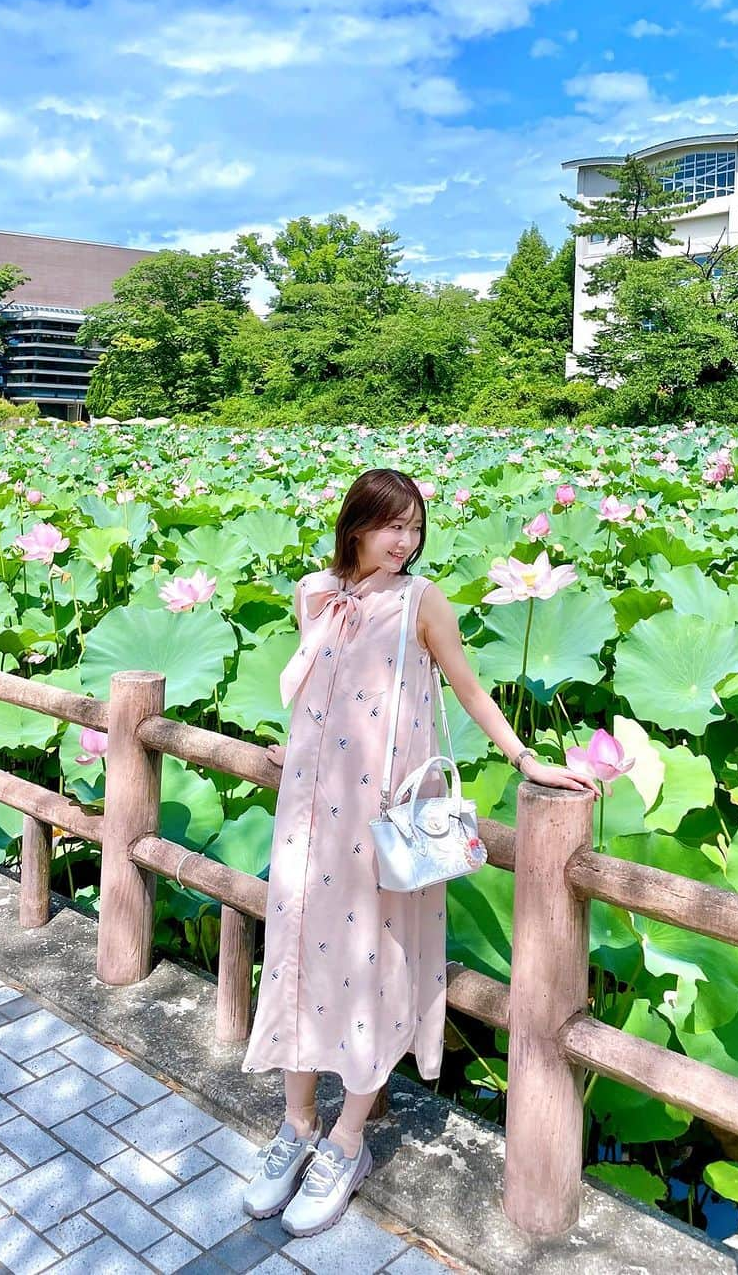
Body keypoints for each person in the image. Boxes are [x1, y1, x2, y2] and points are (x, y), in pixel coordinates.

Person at [240, 468, 596, 1237]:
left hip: (380, 820)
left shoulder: (420, 602)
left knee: (373, 963)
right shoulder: (312, 593)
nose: (403, 541)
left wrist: (527, 759)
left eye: (413, 526)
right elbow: (314, 690)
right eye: (389, 525)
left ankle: (346, 1140)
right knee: (296, 954)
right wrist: (294, 751)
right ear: (355, 526)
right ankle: (297, 1124)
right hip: (306, 815)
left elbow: (469, 691)